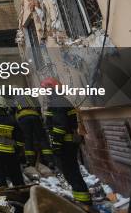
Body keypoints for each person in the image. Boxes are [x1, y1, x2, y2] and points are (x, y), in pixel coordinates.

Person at [42, 77, 92, 206]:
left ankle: (84, 203)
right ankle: (82, 201)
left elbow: (60, 126)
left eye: (46, 90)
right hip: (67, 143)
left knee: (72, 174)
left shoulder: (57, 102)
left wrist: (56, 144)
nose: (45, 93)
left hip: (64, 144)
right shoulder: (60, 100)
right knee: (72, 173)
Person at [13, 93, 53, 168]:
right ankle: (49, 160)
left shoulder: (15, 99)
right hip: (35, 116)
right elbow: (38, 106)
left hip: (23, 118)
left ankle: (30, 162)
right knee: (42, 138)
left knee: (28, 139)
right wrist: (40, 116)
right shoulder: (30, 96)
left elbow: (12, 112)